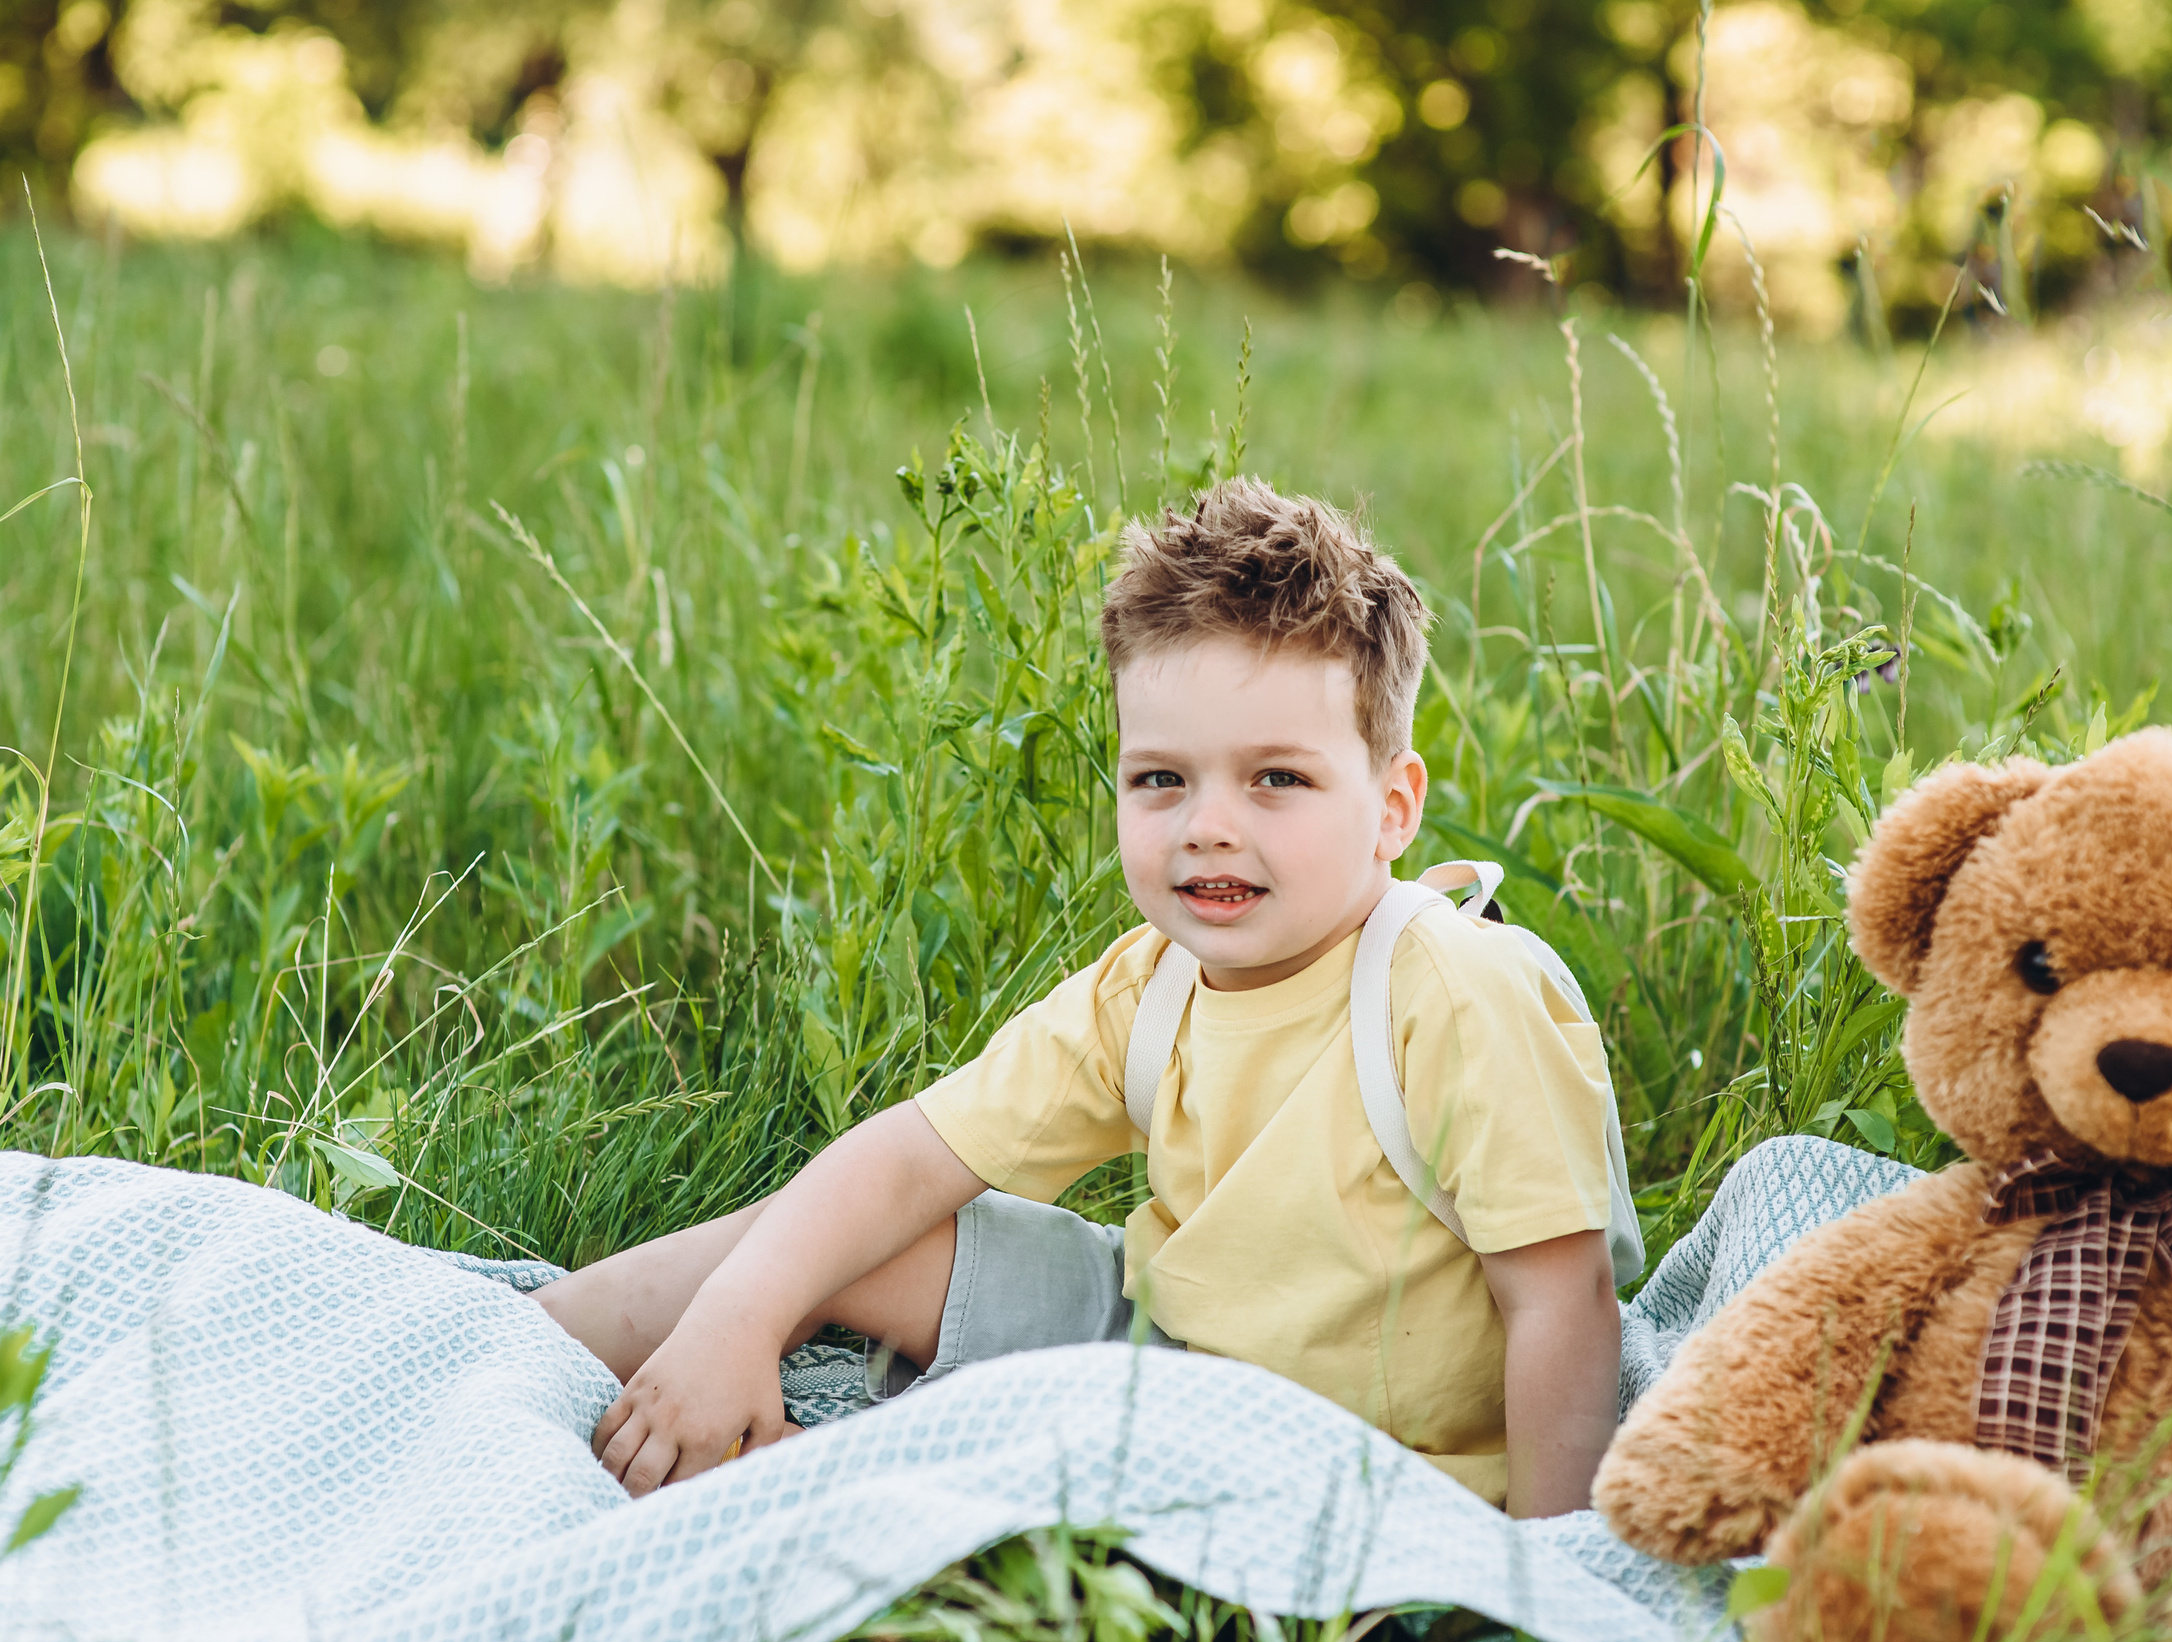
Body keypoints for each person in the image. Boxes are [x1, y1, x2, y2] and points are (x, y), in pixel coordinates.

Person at [532, 477, 1626, 1516]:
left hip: (1386, 1458)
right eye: (1161, 776)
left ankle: (753, 1434)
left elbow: (1559, 1303)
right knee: (832, 1237)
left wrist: (1547, 1571)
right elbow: (913, 1155)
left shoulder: (1452, 993)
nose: (1206, 823)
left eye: (1276, 778)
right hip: (1174, 1354)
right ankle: (520, 1348)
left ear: (1392, 807)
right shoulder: (1149, 987)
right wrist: (742, 1315)